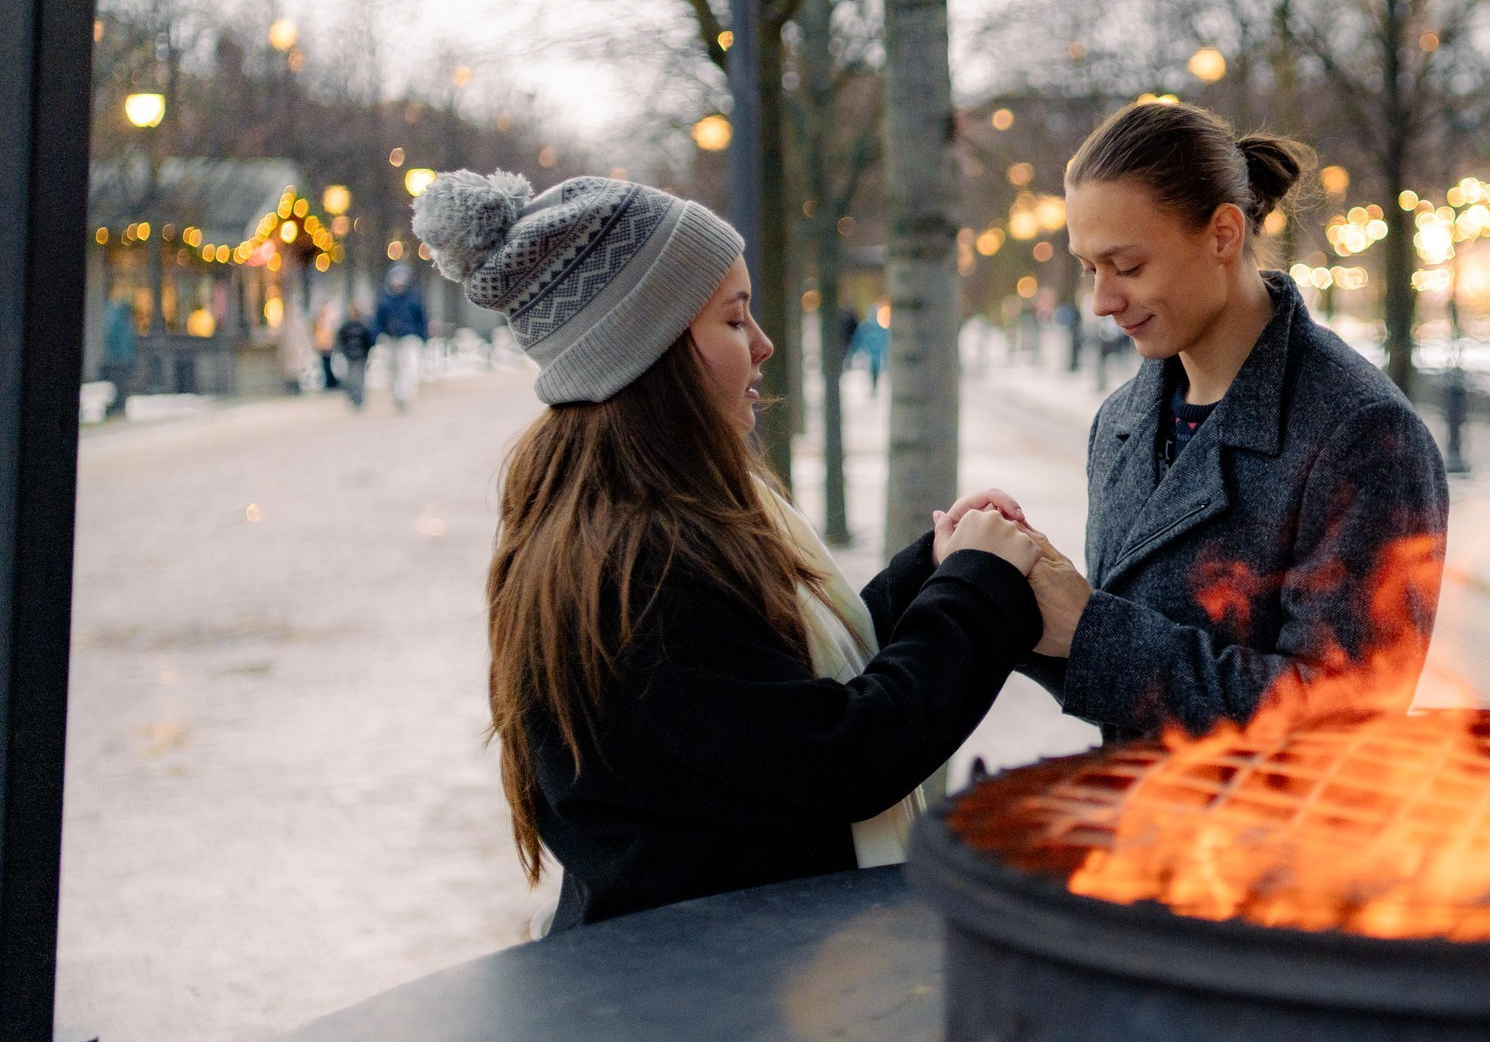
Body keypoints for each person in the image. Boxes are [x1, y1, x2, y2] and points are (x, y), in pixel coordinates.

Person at [413, 169, 1074, 929]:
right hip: (716, 996)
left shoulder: (648, 510)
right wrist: (975, 590)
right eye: (733, 321)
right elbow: (834, 756)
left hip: (715, 963)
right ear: (652, 351)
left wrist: (932, 572)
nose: (763, 345)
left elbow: (769, 692)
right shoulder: (641, 565)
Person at [991, 99, 1450, 743]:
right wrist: (1018, 595)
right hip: (1135, 833)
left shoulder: (1362, 434)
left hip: (1272, 843)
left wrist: (1091, 628)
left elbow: (1343, 723)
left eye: (1128, 266)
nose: (1101, 301)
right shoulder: (1120, 424)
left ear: (1223, 234)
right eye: (1090, 269)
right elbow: (1125, 687)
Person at [374, 263, 430, 412]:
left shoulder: (413, 298)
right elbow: (378, 320)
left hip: (408, 337)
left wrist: (423, 336)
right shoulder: (385, 298)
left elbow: (421, 318)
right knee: (392, 369)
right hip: (391, 338)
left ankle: (404, 393)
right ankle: (396, 394)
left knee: (409, 367)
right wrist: (376, 337)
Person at [334, 303, 376, 410]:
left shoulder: (363, 326)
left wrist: (367, 352)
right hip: (349, 356)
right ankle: (353, 397)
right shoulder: (346, 327)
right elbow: (340, 339)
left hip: (360, 356)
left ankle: (359, 399)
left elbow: (369, 341)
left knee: (359, 379)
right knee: (350, 378)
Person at [848, 299, 890, 397]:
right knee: (871, 372)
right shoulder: (867, 326)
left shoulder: (876, 326)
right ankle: (872, 389)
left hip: (875, 355)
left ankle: (874, 389)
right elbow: (858, 338)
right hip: (870, 355)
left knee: (875, 372)